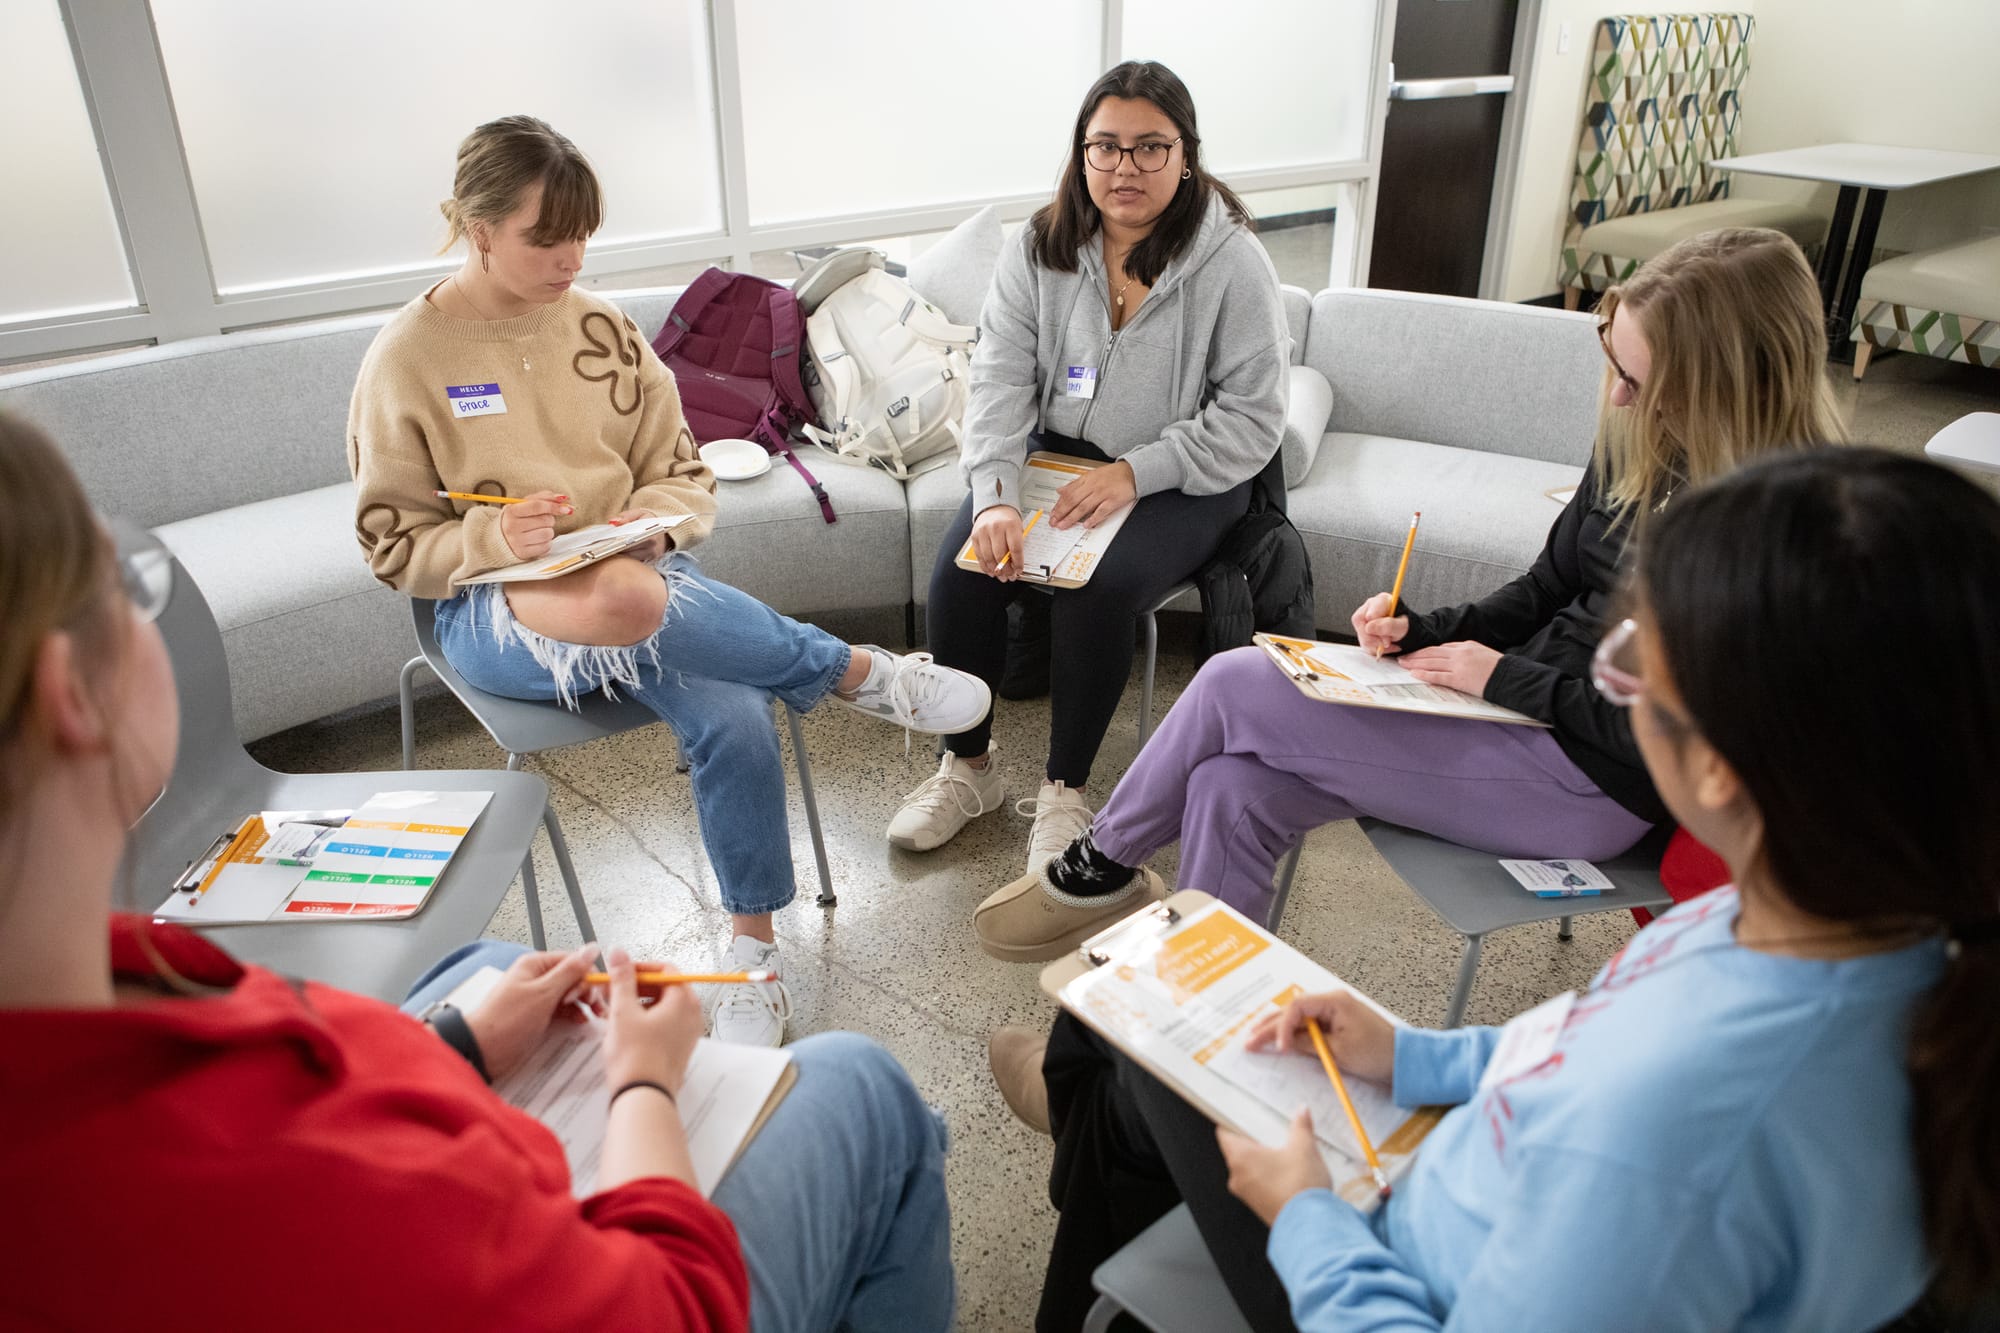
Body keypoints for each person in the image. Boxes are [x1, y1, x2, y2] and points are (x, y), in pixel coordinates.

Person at [1000, 445, 2000, 1331]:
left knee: (1121, 1059)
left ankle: (1089, 1112)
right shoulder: (1847, 937)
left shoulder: (1666, 1146)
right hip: (1466, 1178)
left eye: (1633, 660)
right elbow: (1582, 1049)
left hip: (1386, 1262)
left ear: (1716, 768)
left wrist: (1307, 1216)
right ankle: (1098, 1111)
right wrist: (1419, 1055)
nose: (1612, 667)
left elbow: (1620, 1128)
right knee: (1148, 1027)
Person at [0, 412, 955, 1332]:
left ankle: (846, 684)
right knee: (860, 1081)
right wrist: (643, 1089)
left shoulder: (113, 977)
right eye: (128, 586)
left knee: (485, 966)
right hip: (619, 1269)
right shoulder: (221, 1182)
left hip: (613, 587)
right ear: (68, 694)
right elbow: (658, 1308)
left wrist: (453, 1043)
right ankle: (856, 673)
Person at [974, 226, 1844, 962]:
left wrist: (1499, 677)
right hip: (1513, 718)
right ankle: (1191, 1035)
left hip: (1592, 781)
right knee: (1230, 790)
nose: (1616, 397)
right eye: (1614, 364)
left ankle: (1102, 865)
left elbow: (1680, 745)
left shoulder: (1783, 539)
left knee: (1238, 681)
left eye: (1639, 380)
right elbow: (1549, 585)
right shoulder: (1643, 437)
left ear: (1726, 385)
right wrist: (1424, 630)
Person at [347, 116, 990, 1045]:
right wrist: (492, 533)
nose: (571, 258)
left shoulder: (601, 329)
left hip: (636, 575)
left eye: (581, 235)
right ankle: (856, 674)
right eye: (545, 237)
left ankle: (752, 957)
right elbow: (390, 542)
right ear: (478, 226)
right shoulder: (407, 358)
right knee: (628, 601)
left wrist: (646, 528)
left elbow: (682, 475)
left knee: (726, 705)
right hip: (486, 605)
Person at [893, 61, 1289, 897]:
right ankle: (969, 768)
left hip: (1187, 474)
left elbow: (1253, 419)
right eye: (1104, 147)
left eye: (1151, 148)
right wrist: (996, 498)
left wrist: (1136, 472)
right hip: (1055, 459)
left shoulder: (1233, 263)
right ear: (1080, 153)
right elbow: (998, 382)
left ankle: (1066, 794)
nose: (1125, 169)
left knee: (1096, 588)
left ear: (1187, 155)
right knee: (962, 570)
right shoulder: (1039, 246)